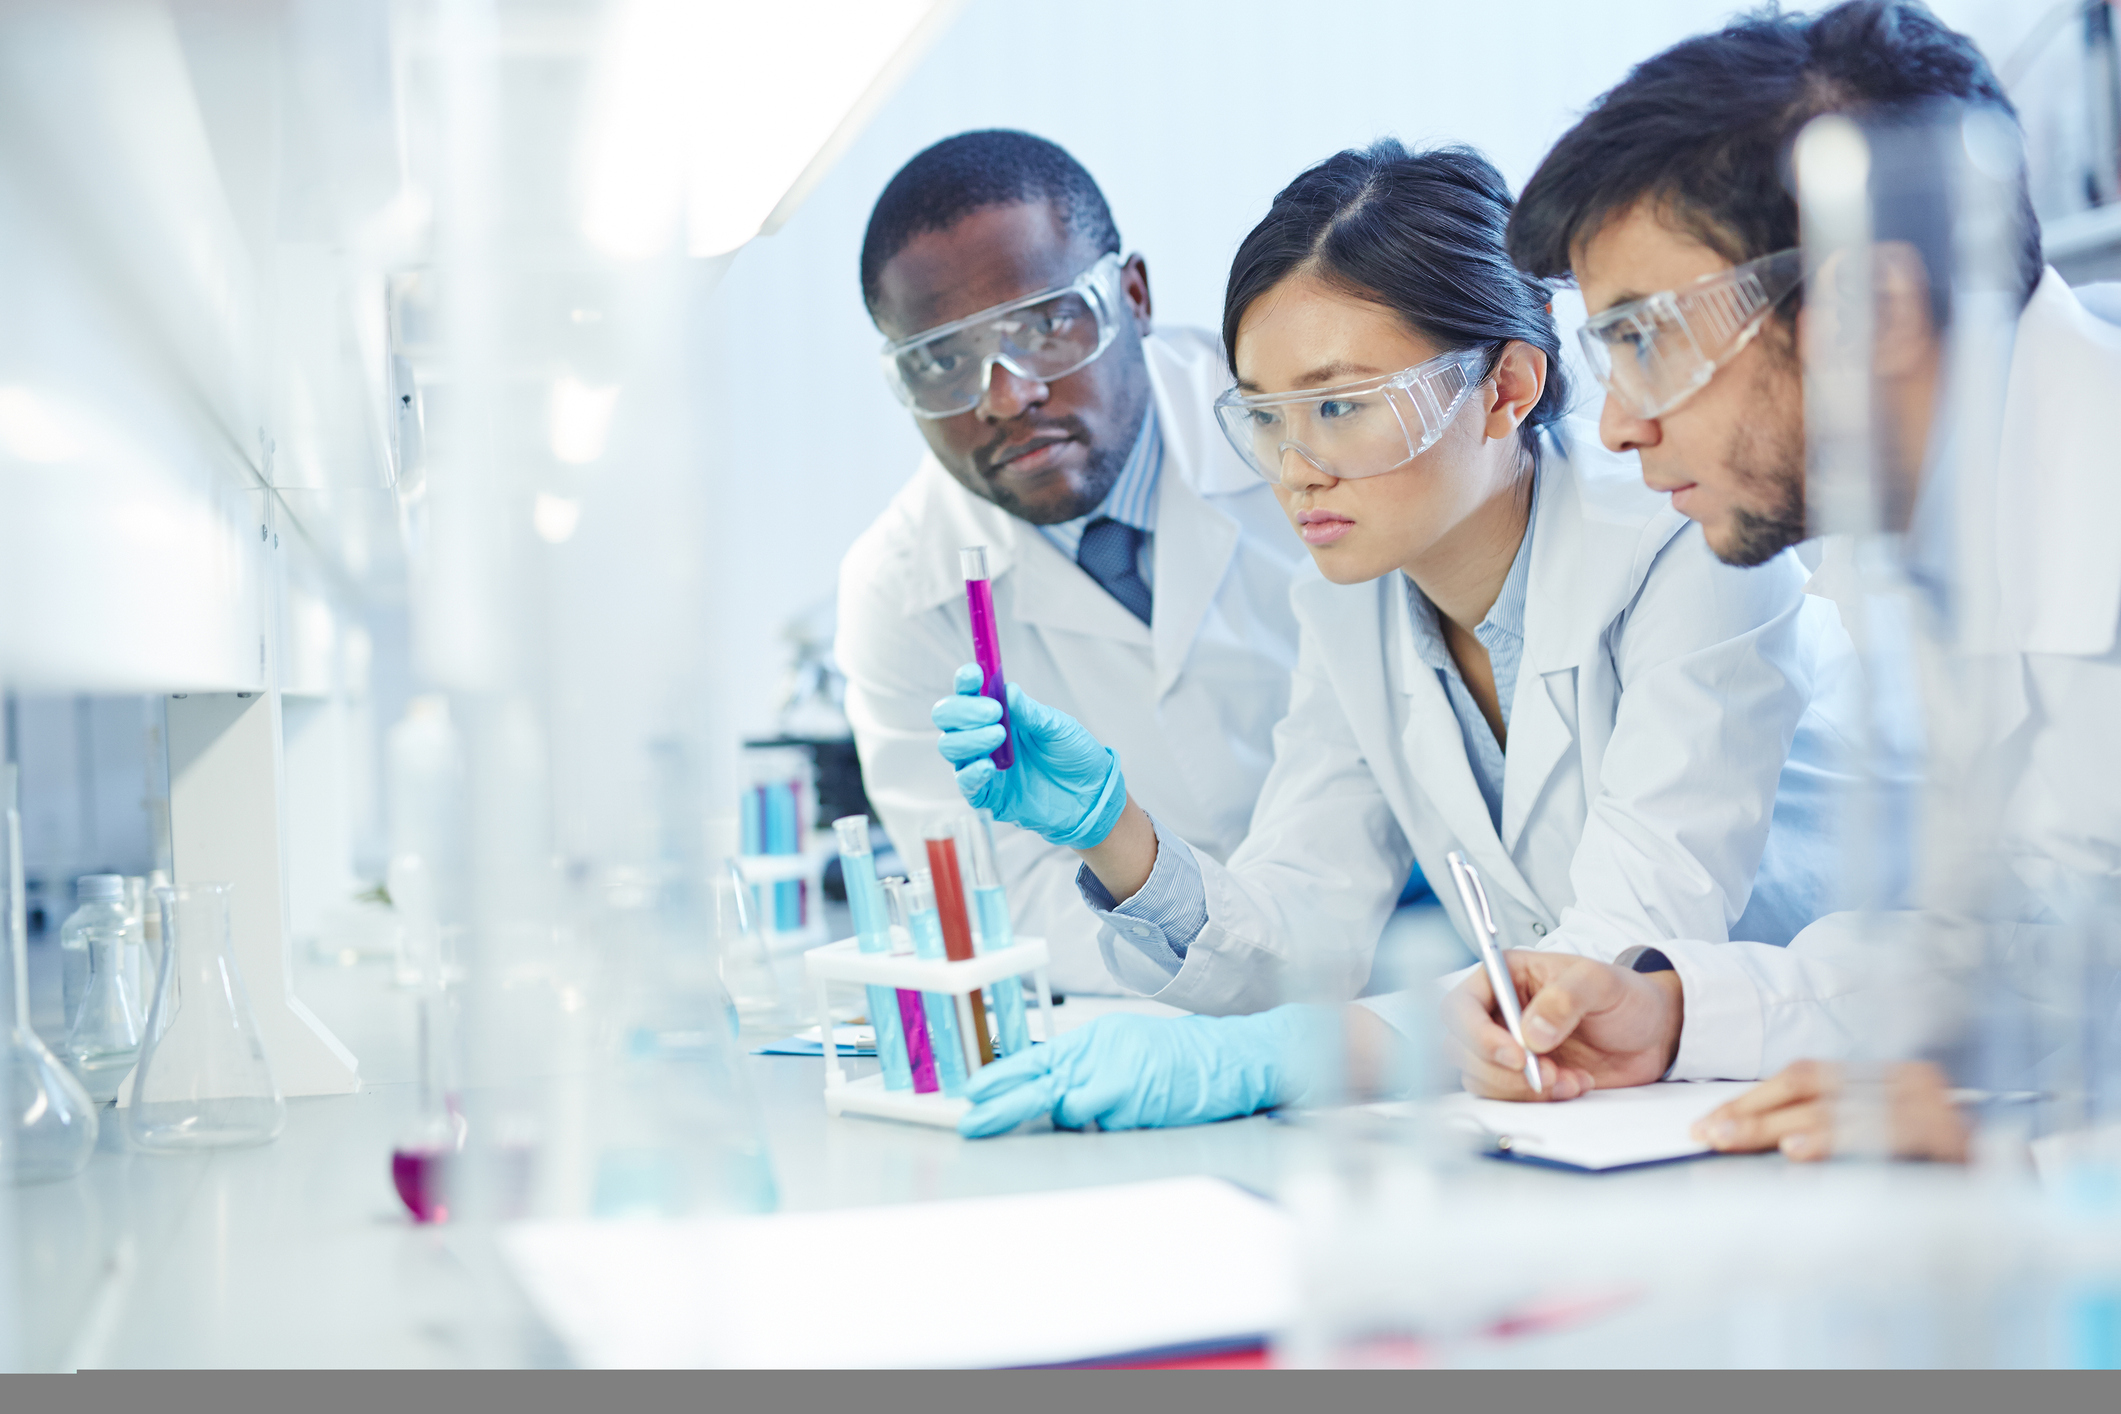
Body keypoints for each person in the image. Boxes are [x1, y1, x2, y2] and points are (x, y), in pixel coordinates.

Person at [936, 142, 1861, 1136]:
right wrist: (1115, 832)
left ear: (1506, 387)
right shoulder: (1352, 599)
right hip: (1623, 1119)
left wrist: (1279, 1055)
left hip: (1854, 1078)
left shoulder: (1686, 536)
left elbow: (1613, 963)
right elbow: (1300, 931)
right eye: (1266, 416)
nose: (1296, 469)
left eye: (1339, 406)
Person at [1470, 0, 2121, 1161]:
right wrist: (1673, 1013)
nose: (1616, 426)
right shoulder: (1934, 545)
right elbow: (2045, 944)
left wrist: (2032, 1160)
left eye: (1646, 340)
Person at [836, 131, 1312, 996]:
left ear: (1132, 296)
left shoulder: (1290, 431)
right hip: (1169, 999)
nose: (1006, 394)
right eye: (941, 361)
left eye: (1047, 323)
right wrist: (1241, 984)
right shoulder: (897, 588)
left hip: (1433, 947)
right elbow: (1005, 905)